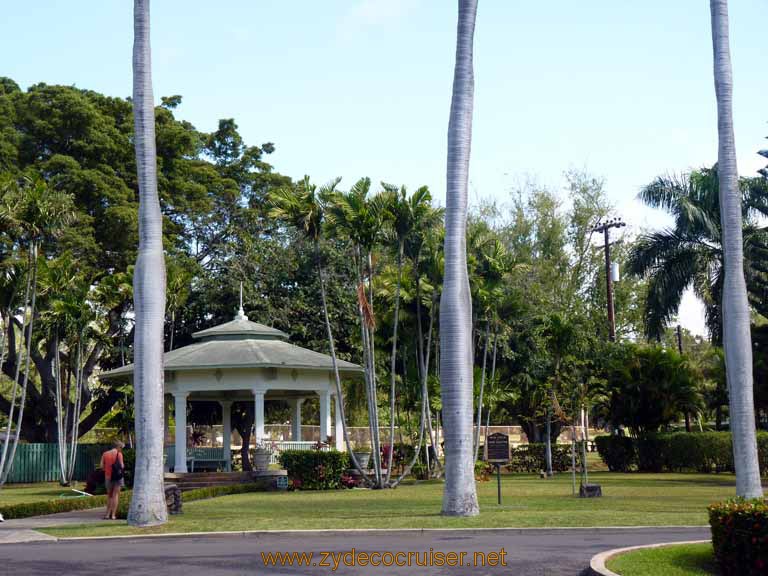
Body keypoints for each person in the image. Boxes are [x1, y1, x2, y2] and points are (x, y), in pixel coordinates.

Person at [100, 440, 125, 520]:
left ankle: (107, 514)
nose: (121, 449)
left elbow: (101, 466)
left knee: (109, 496)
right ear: (118, 447)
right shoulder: (119, 454)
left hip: (108, 477)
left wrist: (107, 469)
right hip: (118, 477)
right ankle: (113, 515)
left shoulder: (105, 454)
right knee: (115, 495)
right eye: (121, 448)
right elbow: (122, 466)